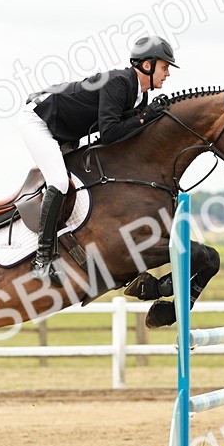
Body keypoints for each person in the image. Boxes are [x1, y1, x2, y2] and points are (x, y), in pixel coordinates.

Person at [18, 35, 177, 286]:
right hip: (40, 120)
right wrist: (146, 117)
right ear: (147, 65)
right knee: (59, 182)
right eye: (165, 67)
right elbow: (110, 132)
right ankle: (42, 260)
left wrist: (148, 117)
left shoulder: (139, 96)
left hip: (65, 129)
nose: (167, 73)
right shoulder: (120, 83)